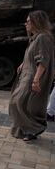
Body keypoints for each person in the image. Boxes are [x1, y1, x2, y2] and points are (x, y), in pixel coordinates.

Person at [9, 10, 54, 141]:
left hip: (33, 76)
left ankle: (34, 129)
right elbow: (33, 54)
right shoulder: (35, 37)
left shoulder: (43, 37)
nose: (25, 24)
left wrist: (36, 80)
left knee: (22, 102)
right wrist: (23, 63)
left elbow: (43, 60)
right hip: (27, 74)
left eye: (28, 21)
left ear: (36, 22)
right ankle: (24, 129)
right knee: (22, 103)